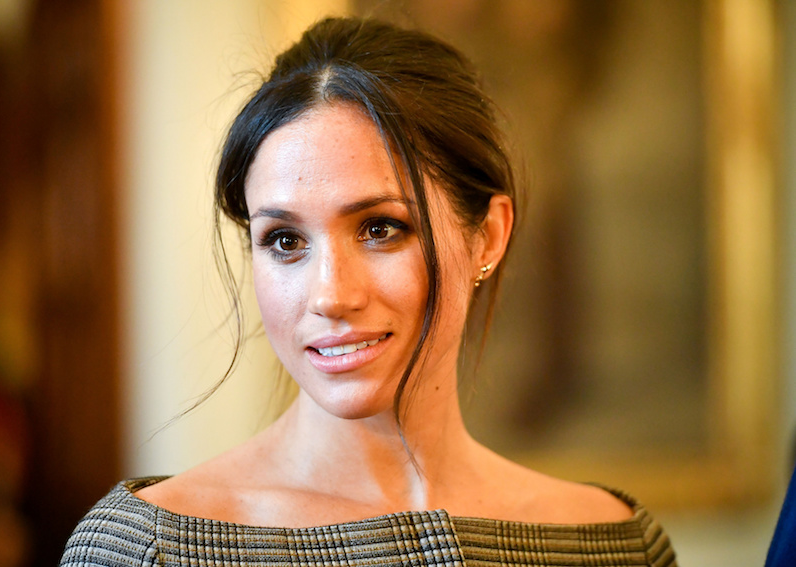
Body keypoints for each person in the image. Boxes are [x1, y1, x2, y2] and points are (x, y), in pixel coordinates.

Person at [60, 17, 677, 567]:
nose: (330, 296)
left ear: (487, 237)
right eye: (284, 241)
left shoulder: (619, 545)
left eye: (381, 229)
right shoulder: (149, 550)